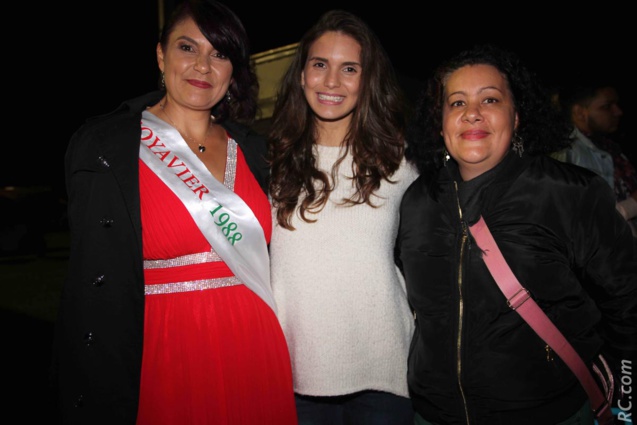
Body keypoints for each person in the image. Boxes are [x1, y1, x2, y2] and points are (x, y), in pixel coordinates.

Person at [50, 1, 297, 424]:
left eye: (219, 53)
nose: (203, 65)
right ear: (161, 56)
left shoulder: (258, 152)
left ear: (233, 72)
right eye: (188, 48)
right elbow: (89, 274)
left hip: (255, 342)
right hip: (163, 345)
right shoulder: (106, 147)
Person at [396, 44, 637, 424]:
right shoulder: (415, 202)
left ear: (517, 115)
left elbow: (627, 306)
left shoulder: (570, 193)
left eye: (489, 99)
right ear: (440, 123)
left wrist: (626, 407)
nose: (472, 112)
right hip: (433, 414)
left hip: (547, 413)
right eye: (456, 103)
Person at [267, 9, 418, 425]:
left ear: (367, 80)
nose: (331, 82)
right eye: (320, 65)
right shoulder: (270, 163)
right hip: (294, 379)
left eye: (349, 68)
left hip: (384, 378)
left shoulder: (401, 164)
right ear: (301, 75)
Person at [551, 81, 637, 238]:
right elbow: (577, 221)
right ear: (579, 112)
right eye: (606, 106)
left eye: (616, 104)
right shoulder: (567, 152)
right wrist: (632, 204)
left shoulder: (609, 148)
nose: (617, 112)